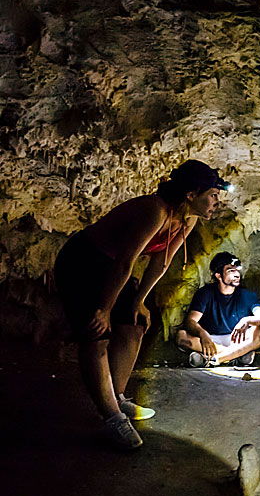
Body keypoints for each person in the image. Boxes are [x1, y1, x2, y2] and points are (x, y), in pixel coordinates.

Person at [53, 159, 230, 449]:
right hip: (83, 262)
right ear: (191, 194)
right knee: (97, 334)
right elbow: (126, 261)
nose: (216, 202)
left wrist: (140, 301)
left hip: (111, 266)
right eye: (212, 195)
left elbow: (162, 262)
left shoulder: (189, 218)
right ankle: (111, 417)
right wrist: (105, 309)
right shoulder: (156, 210)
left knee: (135, 324)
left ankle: (118, 398)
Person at [175, 252, 260, 367]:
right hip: (211, 340)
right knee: (181, 337)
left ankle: (214, 359)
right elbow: (190, 321)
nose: (237, 274)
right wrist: (202, 333)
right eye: (231, 271)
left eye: (237, 270)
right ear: (218, 275)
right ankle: (236, 356)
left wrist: (247, 320)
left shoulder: (246, 295)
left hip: (237, 340)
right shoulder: (206, 293)